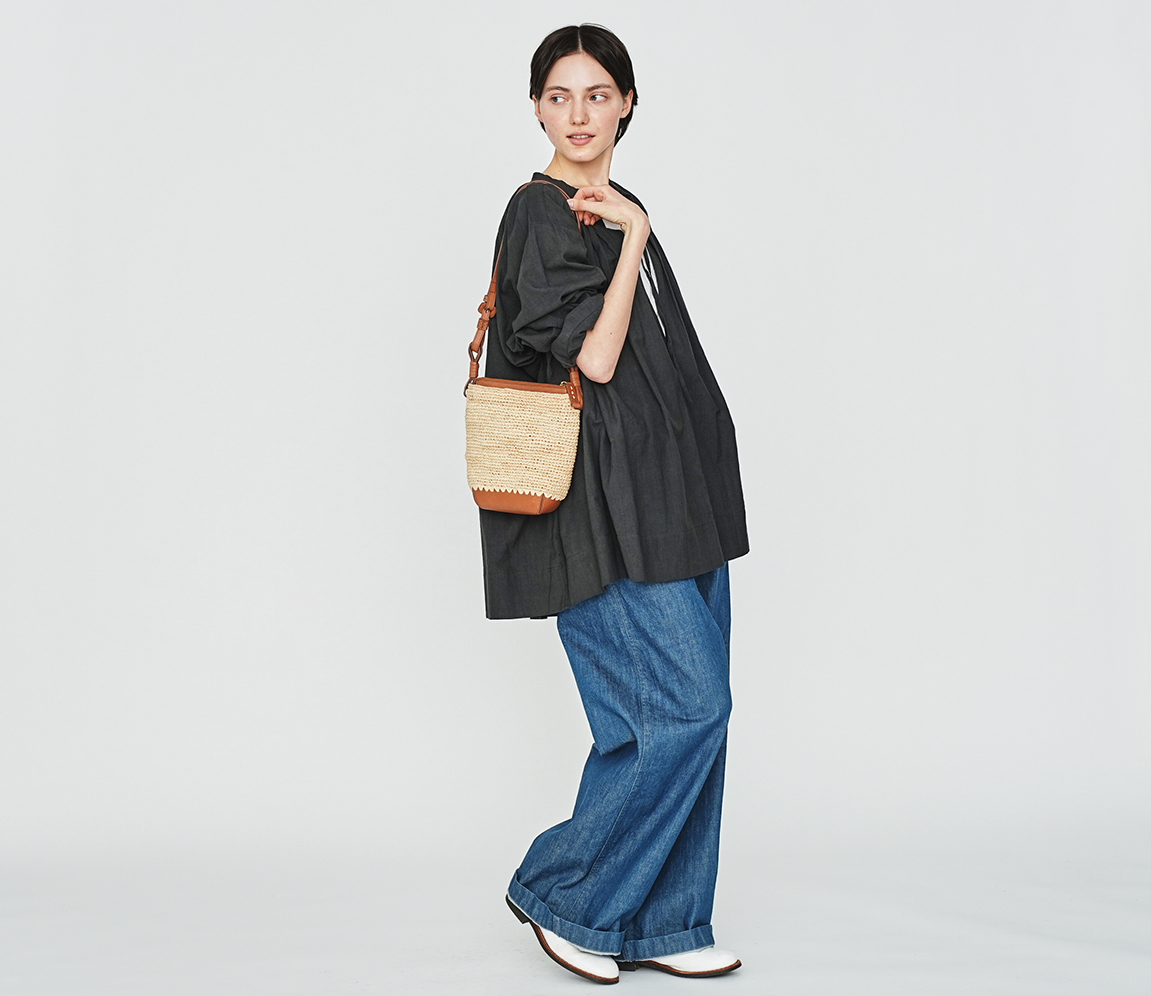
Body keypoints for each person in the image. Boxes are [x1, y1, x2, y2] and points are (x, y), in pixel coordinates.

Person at [478, 23, 750, 984]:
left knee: (665, 724)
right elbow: (594, 359)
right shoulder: (540, 212)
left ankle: (667, 922)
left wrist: (631, 224)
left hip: (676, 500)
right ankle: (569, 896)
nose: (579, 114)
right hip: (606, 509)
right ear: (537, 108)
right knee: (690, 707)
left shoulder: (619, 206)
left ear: (627, 102)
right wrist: (633, 236)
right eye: (559, 96)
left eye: (597, 94)